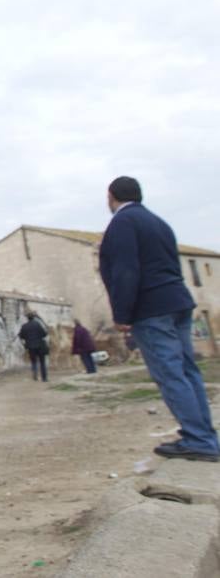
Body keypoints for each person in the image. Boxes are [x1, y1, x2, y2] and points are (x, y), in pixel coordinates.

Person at [99, 175, 219, 462]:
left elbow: (125, 270)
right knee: (187, 371)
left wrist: (122, 314)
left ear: (111, 196)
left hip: (152, 309)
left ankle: (199, 440)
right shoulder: (158, 222)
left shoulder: (123, 224)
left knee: (170, 373)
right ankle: (203, 435)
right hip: (177, 301)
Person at [18, 311, 50, 381]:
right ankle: (44, 378)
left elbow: (21, 336)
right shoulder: (37, 324)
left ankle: (35, 375)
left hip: (30, 347)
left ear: (27, 318)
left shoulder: (24, 326)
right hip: (40, 346)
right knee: (42, 362)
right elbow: (44, 334)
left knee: (33, 361)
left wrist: (27, 339)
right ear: (33, 318)